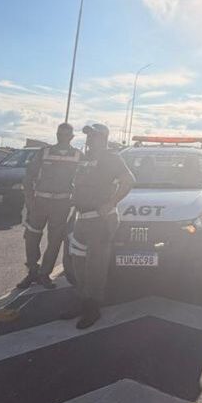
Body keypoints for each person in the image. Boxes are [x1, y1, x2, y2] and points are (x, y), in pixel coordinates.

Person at [60, 123, 134, 329]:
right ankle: (82, 301)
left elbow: (128, 180)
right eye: (88, 136)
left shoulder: (111, 158)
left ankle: (92, 307)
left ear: (103, 138)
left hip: (100, 220)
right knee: (78, 263)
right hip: (81, 218)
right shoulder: (86, 158)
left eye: (93, 136)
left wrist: (111, 202)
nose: (89, 139)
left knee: (96, 266)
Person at [17, 123, 82, 290]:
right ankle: (32, 271)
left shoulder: (78, 155)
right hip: (40, 202)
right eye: (60, 134)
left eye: (66, 135)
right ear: (56, 135)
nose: (62, 138)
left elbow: (84, 180)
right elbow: (29, 176)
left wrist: (76, 200)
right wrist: (29, 200)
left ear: (72, 137)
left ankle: (44, 274)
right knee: (31, 237)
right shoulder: (44, 152)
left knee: (55, 241)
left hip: (61, 204)